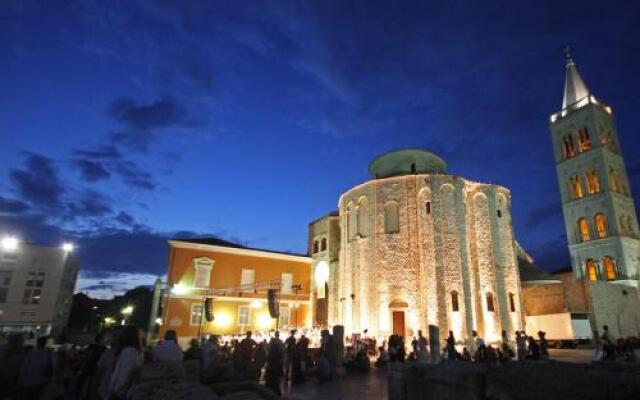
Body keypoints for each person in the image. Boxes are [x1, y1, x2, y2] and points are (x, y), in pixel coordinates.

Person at [108, 326, 143, 400]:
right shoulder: (136, 352)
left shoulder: (128, 352)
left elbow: (124, 373)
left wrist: (115, 391)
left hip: (120, 393)